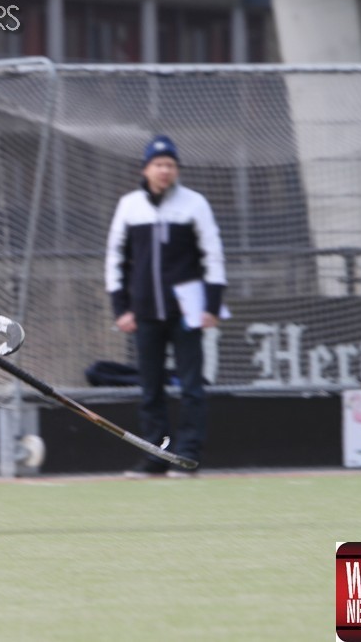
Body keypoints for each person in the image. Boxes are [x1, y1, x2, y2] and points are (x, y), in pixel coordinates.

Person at [104, 135, 226, 479]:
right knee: (150, 388)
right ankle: (155, 456)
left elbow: (213, 254)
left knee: (191, 386)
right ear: (145, 169)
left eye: (170, 165)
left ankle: (187, 455)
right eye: (158, 164)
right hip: (145, 313)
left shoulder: (195, 204)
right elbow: (115, 258)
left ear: (177, 170)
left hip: (188, 314)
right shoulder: (129, 206)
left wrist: (212, 305)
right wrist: (121, 308)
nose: (164, 170)